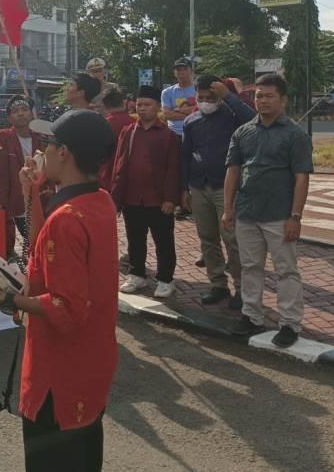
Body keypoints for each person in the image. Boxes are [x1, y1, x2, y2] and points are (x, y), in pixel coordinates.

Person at [0, 109, 118, 472]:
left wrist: (5, 297)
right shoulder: (100, 201)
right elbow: (43, 252)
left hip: (59, 373)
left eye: (49, 144)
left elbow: (67, 309)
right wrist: (32, 191)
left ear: (65, 153)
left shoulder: (67, 218)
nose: (42, 151)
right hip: (91, 361)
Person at [223, 73, 313, 348]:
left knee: (286, 270)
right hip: (247, 213)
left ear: (283, 100)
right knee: (250, 267)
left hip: (279, 215)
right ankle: (252, 316)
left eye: (269, 96)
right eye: (259, 96)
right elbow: (233, 171)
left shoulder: (295, 135)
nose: (262, 101)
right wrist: (228, 209)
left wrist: (295, 216)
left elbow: (301, 178)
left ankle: (290, 324)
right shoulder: (243, 132)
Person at [182, 74, 256, 309]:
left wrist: (229, 96)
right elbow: (185, 156)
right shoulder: (191, 121)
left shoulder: (232, 116)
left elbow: (253, 120)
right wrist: (184, 188)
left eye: (211, 98)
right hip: (199, 187)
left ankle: (242, 289)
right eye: (201, 98)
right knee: (207, 238)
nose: (205, 102)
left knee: (233, 240)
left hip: (226, 189)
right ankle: (218, 284)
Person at [113, 86, 181, 299]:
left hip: (158, 200)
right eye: (139, 104)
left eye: (147, 105)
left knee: (164, 242)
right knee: (134, 240)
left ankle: (165, 280)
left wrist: (170, 198)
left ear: (158, 107)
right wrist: (117, 198)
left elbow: (173, 169)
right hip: (132, 198)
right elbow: (119, 164)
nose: (142, 108)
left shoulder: (168, 136)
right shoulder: (128, 132)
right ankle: (137, 275)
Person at [0, 95, 38, 261]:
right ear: (9, 117)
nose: (20, 114)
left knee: (40, 237)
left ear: (31, 113)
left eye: (24, 109)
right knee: (29, 236)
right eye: (15, 111)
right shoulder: (2, 138)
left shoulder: (41, 136)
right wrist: (1, 200)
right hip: (18, 197)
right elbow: (3, 173)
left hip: (40, 195)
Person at [98, 87, 134, 190]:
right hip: (130, 175)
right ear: (124, 103)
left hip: (107, 177)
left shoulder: (103, 124)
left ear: (105, 105)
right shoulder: (134, 123)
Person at [161, 57, 197, 139]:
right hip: (174, 134)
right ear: (174, 73)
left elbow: (202, 109)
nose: (182, 72)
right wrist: (193, 114)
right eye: (178, 70)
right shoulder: (167, 92)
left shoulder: (199, 89)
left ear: (191, 71)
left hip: (195, 133)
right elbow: (167, 115)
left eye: (185, 69)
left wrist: (178, 110)